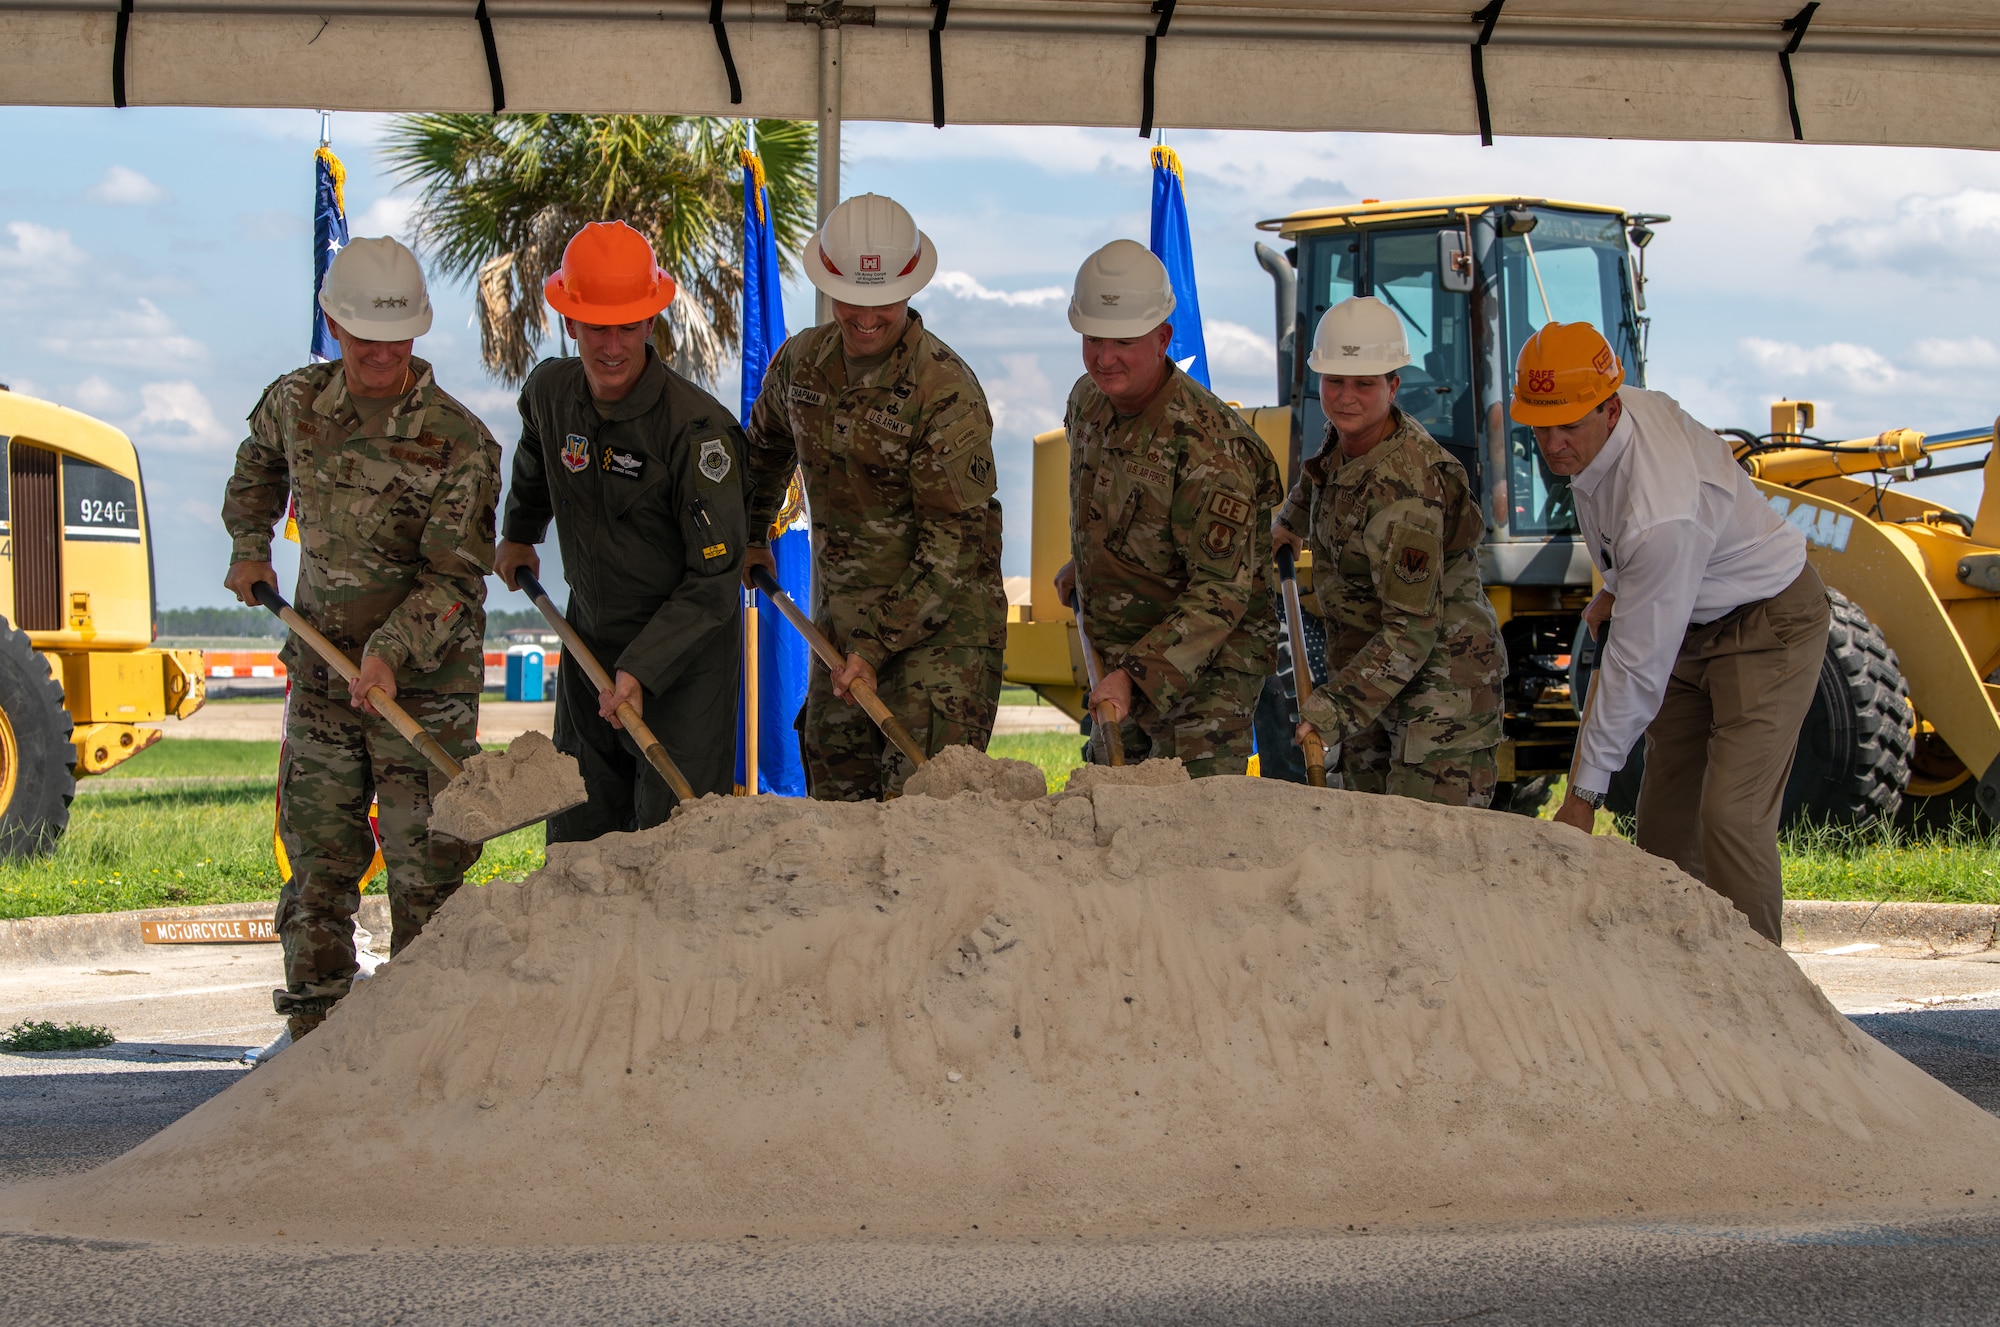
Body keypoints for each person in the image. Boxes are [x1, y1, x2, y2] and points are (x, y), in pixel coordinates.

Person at [221, 236, 500, 1042]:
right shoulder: (297, 403)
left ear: (417, 333)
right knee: (319, 861)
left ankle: (427, 1040)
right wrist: (250, 545)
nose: (379, 355)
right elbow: (255, 469)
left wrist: (387, 653)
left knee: (427, 871)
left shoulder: (461, 441)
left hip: (424, 685)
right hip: (321, 675)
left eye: (396, 339)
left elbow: (454, 579)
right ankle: (317, 1034)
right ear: (333, 326)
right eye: (362, 338)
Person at [1518, 321, 1827, 945]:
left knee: (1731, 817)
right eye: (1540, 426)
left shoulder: (1661, 509)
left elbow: (1633, 667)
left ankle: (1767, 1008)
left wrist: (1582, 795)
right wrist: (1619, 585)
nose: (1552, 444)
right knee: (1663, 827)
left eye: (1567, 427)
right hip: (1691, 613)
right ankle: (1681, 994)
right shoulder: (1608, 427)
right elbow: (1636, 550)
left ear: (1609, 409)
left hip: (1768, 623)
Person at [744, 193, 1006, 800]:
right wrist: (755, 534)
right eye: (852, 299)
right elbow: (761, 451)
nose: (866, 316)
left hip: (939, 643)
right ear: (828, 282)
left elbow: (952, 551)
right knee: (838, 818)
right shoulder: (802, 364)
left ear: (911, 288)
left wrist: (874, 645)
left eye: (882, 300)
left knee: (923, 821)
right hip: (838, 635)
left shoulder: (946, 391)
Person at [495, 221, 750, 839]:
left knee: (673, 842)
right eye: (598, 328)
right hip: (589, 644)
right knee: (580, 830)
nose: (613, 346)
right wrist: (521, 529)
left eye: (628, 327)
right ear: (571, 323)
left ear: (651, 324)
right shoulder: (551, 392)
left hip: (682, 664)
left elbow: (715, 579)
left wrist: (641, 668)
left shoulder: (697, 432)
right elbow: (536, 449)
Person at [1053, 239, 1281, 777]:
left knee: (1190, 816)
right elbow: (1110, 501)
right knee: (1110, 792)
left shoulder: (1211, 449)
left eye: (1124, 342)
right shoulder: (1087, 401)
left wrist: (1133, 676)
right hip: (1123, 643)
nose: (1104, 358)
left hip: (1209, 664)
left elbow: (1221, 593)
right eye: (1092, 339)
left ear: (1162, 339)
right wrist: (1086, 564)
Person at [1271, 297, 1504, 806]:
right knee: (1369, 838)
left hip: (1439, 691)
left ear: (1393, 386)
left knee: (1428, 852)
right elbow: (1324, 479)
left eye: (1364, 384)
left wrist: (1331, 710)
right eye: (1334, 381)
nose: (1346, 397)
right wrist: (1289, 522)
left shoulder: (1409, 493)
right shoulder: (1349, 440)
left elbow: (1411, 633)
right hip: (1373, 674)